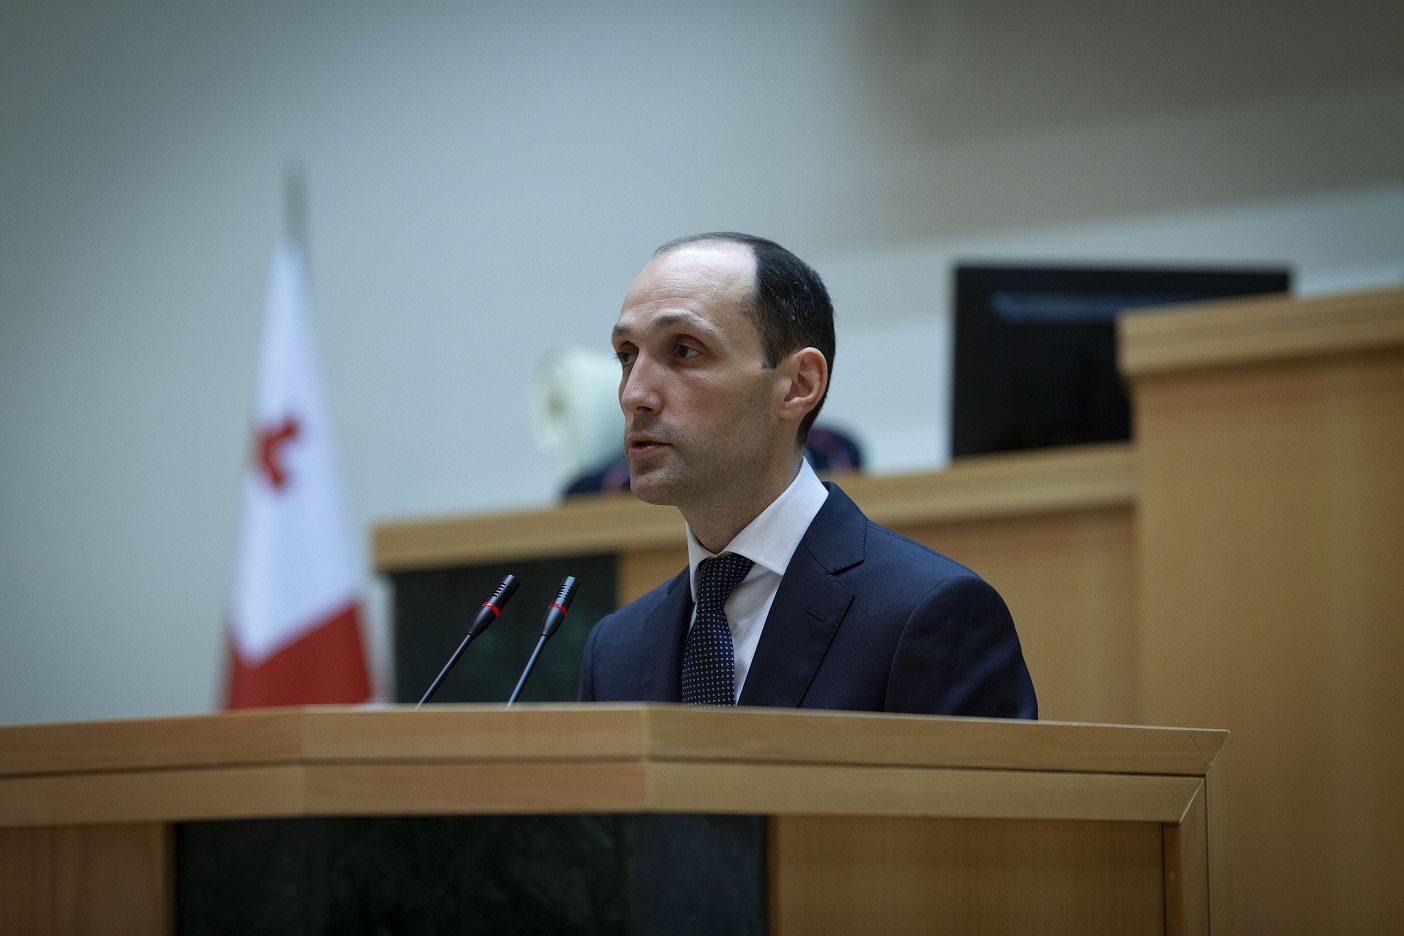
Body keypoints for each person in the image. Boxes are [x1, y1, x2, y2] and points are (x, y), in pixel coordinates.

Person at [577, 233, 1037, 717]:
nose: (634, 394)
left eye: (685, 351)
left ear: (799, 385)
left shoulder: (930, 613)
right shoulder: (613, 650)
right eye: (626, 355)